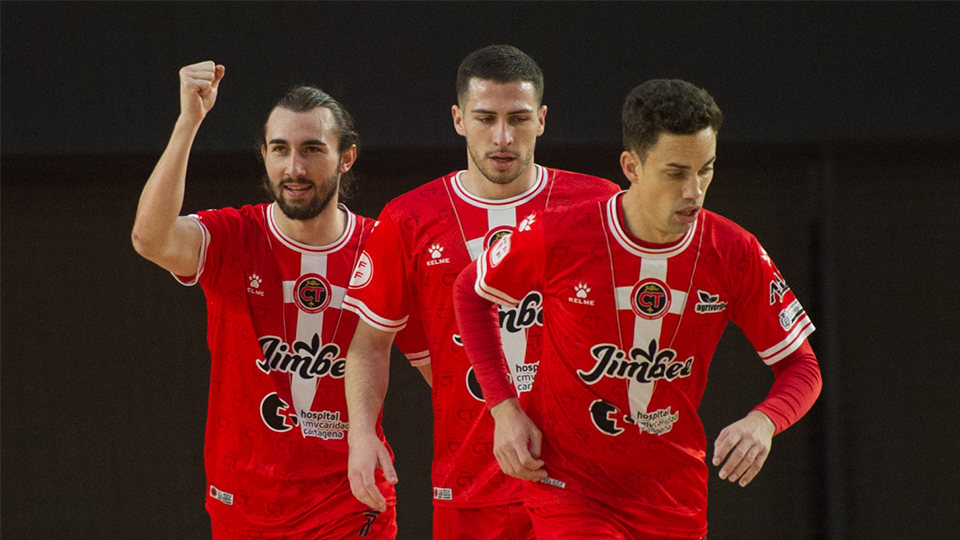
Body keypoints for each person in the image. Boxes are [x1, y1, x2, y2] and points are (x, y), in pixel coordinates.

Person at [452, 79, 823, 539]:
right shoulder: (560, 234)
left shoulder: (735, 252)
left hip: (672, 491)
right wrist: (504, 408)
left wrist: (764, 421)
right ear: (631, 165)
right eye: (675, 172)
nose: (694, 190)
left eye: (705, 170)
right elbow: (471, 291)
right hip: (570, 485)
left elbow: (802, 366)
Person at [342, 45, 621, 539]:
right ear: (457, 119)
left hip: (585, 487)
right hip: (469, 484)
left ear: (542, 120)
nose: (502, 137)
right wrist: (361, 435)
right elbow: (369, 343)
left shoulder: (597, 202)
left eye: (518, 118)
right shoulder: (409, 217)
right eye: (485, 118)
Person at [131, 61, 397, 539]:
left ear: (347, 157)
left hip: (348, 497)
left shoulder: (383, 245)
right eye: (280, 150)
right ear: (265, 155)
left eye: (312, 150)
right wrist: (188, 122)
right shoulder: (234, 236)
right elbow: (150, 239)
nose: (294, 168)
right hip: (245, 499)